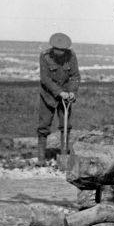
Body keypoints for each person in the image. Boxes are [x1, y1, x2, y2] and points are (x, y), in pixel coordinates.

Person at [37, 32, 80, 164]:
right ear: (52, 48)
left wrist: (72, 91)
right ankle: (41, 158)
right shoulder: (44, 56)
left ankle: (64, 156)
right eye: (57, 50)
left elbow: (75, 76)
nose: (60, 52)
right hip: (48, 96)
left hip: (66, 97)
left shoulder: (71, 56)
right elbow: (45, 79)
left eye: (62, 50)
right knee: (43, 126)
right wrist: (59, 92)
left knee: (66, 126)